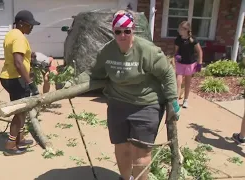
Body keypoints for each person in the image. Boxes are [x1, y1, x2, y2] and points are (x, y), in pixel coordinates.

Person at [73, 10, 180, 180]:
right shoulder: (107, 52)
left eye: (127, 31)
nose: (122, 35)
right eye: (118, 31)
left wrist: (172, 100)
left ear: (133, 30)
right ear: (113, 31)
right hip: (118, 105)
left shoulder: (147, 51)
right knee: (121, 148)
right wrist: (72, 83)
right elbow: (93, 72)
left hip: (146, 105)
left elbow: (167, 73)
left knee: (141, 153)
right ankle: (124, 178)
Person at [0, 10, 41, 156]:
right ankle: (11, 144)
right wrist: (30, 83)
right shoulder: (19, 38)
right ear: (21, 23)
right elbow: (18, 62)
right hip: (16, 79)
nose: (32, 28)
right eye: (30, 25)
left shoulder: (12, 34)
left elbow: (18, 58)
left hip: (8, 76)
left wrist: (30, 57)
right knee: (20, 111)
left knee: (21, 110)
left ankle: (20, 138)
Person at [174, 21, 203, 108]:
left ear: (186, 30)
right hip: (180, 63)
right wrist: (176, 56)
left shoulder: (193, 39)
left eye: (181, 29)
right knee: (178, 81)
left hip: (190, 63)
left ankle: (186, 100)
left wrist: (199, 63)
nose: (179, 30)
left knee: (187, 82)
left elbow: (199, 51)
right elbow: (176, 51)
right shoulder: (178, 39)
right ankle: (175, 101)